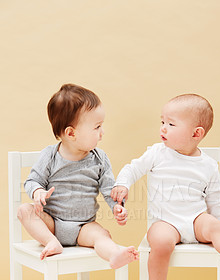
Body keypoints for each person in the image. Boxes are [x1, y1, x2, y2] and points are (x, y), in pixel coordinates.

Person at [111, 93, 220, 280]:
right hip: (166, 221)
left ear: (196, 133)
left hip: (195, 219)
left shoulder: (207, 165)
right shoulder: (158, 153)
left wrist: (217, 229)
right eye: (162, 122)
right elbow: (133, 168)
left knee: (215, 226)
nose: (163, 128)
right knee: (160, 240)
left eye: (171, 124)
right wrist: (122, 184)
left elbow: (216, 198)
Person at [18, 83, 139, 268]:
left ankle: (114, 255)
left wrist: (117, 206)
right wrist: (37, 192)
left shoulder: (99, 159)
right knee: (24, 211)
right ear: (71, 133)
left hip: (84, 226)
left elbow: (109, 189)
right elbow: (32, 180)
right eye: (97, 127)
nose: (102, 132)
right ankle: (51, 242)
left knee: (102, 235)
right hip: (52, 223)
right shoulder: (50, 156)